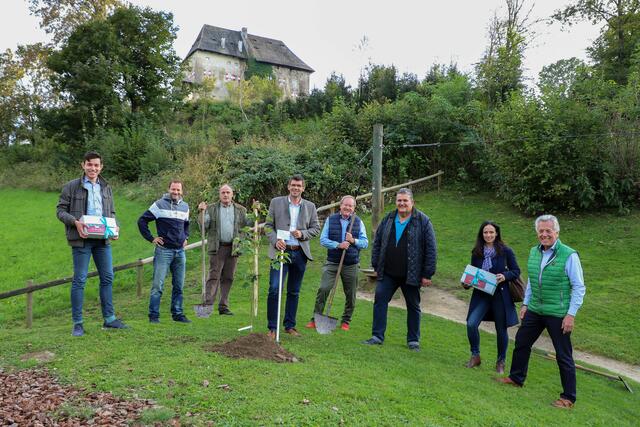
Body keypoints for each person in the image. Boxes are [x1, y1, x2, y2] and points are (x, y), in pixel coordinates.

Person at [495, 215, 586, 409]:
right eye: (541, 231)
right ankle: (516, 378)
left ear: (556, 233)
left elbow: (579, 287)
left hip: (558, 312)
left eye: (548, 231)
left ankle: (568, 397)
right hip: (535, 309)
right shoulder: (534, 252)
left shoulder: (569, 255)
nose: (544, 234)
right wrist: (526, 305)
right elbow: (532, 282)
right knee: (521, 342)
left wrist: (571, 314)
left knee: (563, 354)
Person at [56, 151, 128, 336]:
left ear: (101, 167)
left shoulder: (106, 187)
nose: (93, 168)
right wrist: (75, 222)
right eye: (89, 164)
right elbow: (60, 211)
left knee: (107, 278)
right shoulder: (71, 186)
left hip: (102, 241)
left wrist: (115, 228)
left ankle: (110, 319)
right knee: (79, 280)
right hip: (82, 240)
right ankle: (78, 324)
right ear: (83, 165)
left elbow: (111, 212)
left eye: (96, 165)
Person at [363, 188, 437, 352]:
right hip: (388, 272)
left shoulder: (423, 221)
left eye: (405, 201)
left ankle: (413, 340)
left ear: (412, 203)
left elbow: (431, 249)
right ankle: (377, 336)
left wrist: (427, 274)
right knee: (380, 301)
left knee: (413, 306)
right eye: (399, 201)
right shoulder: (389, 218)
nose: (402, 204)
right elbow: (378, 243)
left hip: (411, 274)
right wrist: (375, 264)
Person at [265, 174, 320, 338]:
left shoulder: (310, 206)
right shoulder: (276, 202)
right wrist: (275, 241)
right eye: (293, 185)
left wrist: (302, 234)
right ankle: (272, 328)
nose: (296, 188)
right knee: (275, 289)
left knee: (294, 291)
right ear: (288, 187)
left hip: (299, 253)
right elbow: (268, 226)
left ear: (303, 188)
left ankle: (290, 326)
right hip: (280, 252)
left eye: (299, 186)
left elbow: (316, 228)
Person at [463, 221, 521, 373]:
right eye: (485, 232)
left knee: (501, 329)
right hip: (481, 295)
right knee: (471, 323)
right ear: (481, 235)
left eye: (491, 232)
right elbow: (473, 273)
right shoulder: (477, 252)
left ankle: (501, 362)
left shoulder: (506, 251)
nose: (488, 235)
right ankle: (475, 356)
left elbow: (516, 271)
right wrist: (467, 282)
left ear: (496, 234)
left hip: (500, 296)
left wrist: (505, 275)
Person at [306, 195, 368, 331]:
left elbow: (365, 243)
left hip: (351, 264)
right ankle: (316, 318)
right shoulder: (331, 219)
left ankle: (346, 321)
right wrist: (338, 245)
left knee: (350, 294)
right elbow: (323, 240)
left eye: (350, 206)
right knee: (324, 289)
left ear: (353, 208)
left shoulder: (358, 221)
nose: (347, 208)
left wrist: (353, 241)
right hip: (333, 262)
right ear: (340, 206)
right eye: (345, 205)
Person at [138, 180, 190, 323]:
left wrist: (186, 237)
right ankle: (154, 316)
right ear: (169, 189)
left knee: (179, 285)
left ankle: (178, 314)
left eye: (178, 190)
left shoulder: (185, 207)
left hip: (180, 252)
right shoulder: (159, 205)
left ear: (182, 191)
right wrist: (151, 238)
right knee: (157, 285)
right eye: (173, 189)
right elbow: (142, 221)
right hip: (164, 251)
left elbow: (186, 224)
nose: (176, 192)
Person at [197, 184, 250, 316]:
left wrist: (256, 212)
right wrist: (201, 212)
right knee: (213, 277)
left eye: (228, 192)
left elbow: (248, 224)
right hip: (217, 247)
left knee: (228, 277)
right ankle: (206, 308)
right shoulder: (211, 208)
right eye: (223, 193)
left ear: (232, 194)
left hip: (233, 248)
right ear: (219, 195)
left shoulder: (241, 210)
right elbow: (204, 225)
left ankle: (223, 307)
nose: (225, 195)